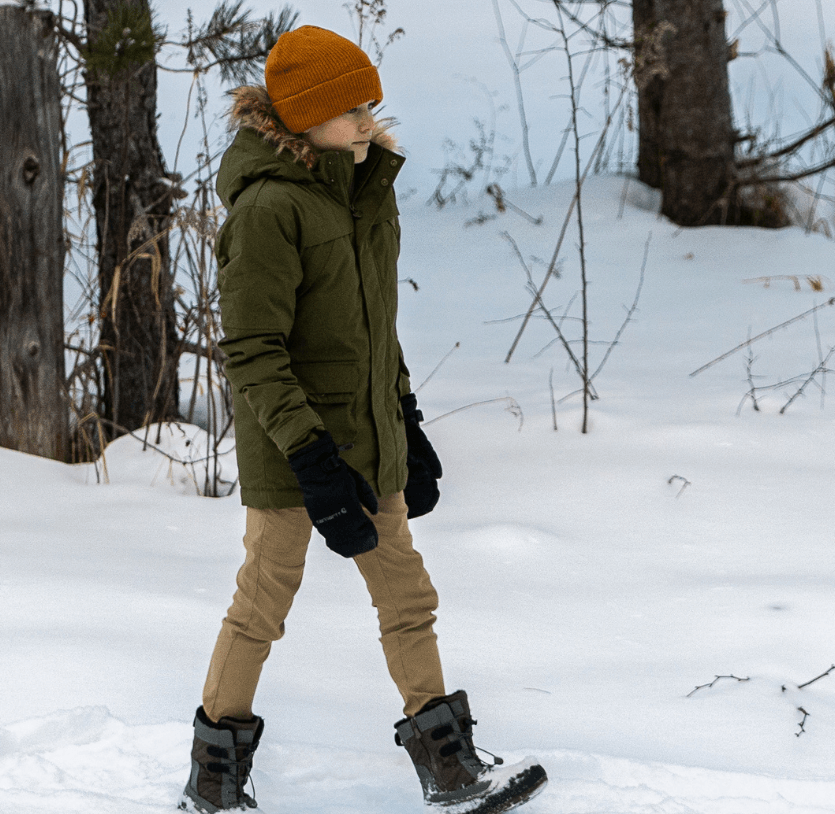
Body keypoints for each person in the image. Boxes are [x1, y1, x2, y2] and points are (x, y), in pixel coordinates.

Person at [183, 25, 546, 814]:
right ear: (304, 118)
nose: (366, 120)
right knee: (263, 601)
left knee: (408, 596)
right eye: (348, 108)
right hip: (294, 452)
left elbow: (374, 328)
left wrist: (406, 420)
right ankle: (213, 779)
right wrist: (312, 456)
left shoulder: (359, 195)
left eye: (367, 104)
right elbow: (252, 349)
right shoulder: (269, 210)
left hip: (370, 436)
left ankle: (448, 769)